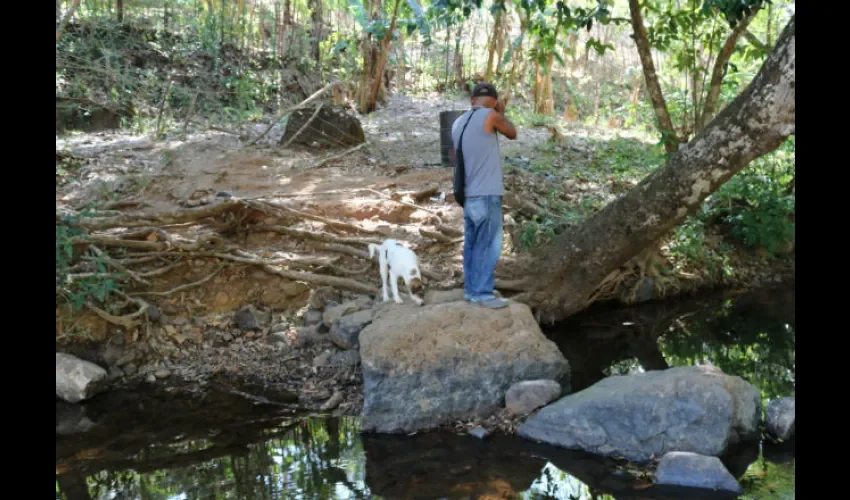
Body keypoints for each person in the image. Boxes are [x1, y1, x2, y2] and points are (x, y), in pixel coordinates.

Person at [450, 82, 517, 309]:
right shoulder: (491, 116)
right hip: (487, 193)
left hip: (468, 195)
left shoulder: (458, 122)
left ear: (472, 100)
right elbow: (512, 133)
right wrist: (501, 112)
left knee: (472, 244)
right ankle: (482, 293)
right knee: (488, 245)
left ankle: (471, 289)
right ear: (495, 101)